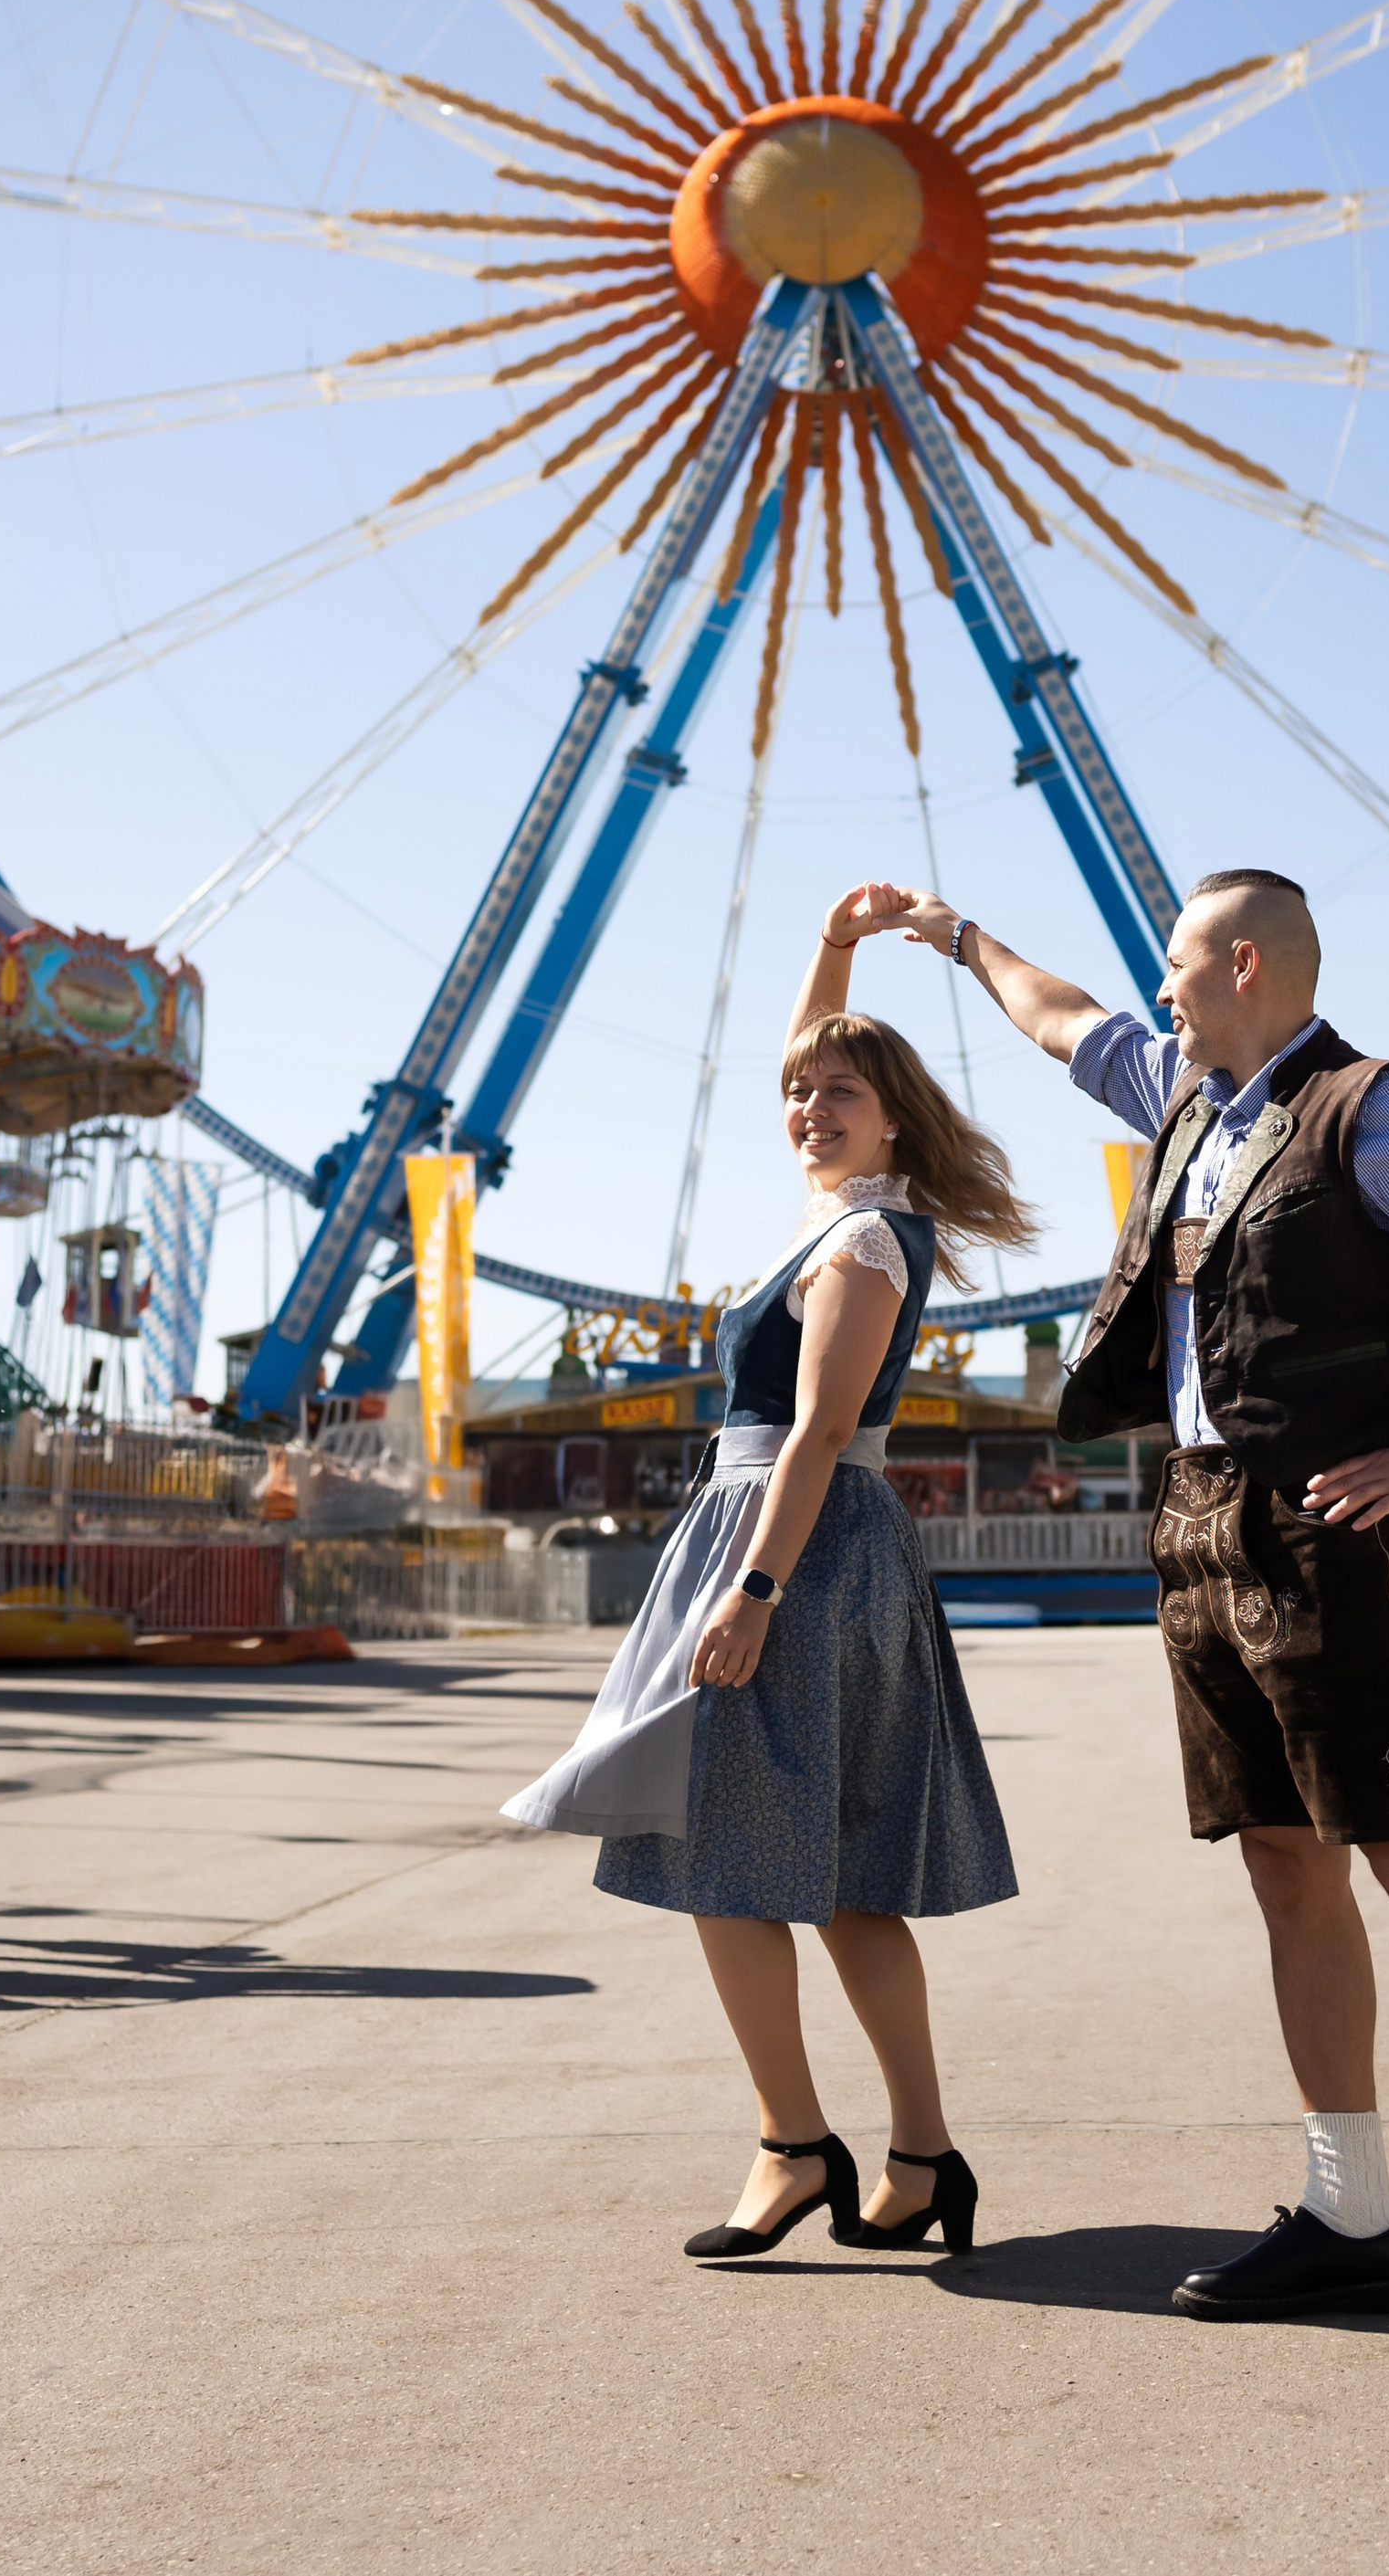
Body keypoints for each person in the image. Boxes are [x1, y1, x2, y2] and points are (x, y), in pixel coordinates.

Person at [854, 867, 1389, 2367]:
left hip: (1332, 1523)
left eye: (1183, 966)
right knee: (1282, 1865)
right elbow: (1062, 1018)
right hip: (1199, 1519)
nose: (1163, 990)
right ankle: (1352, 2216)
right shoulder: (1187, 1098)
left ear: (1247, 964)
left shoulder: (1372, 1109)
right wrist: (947, 934)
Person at [503, 888, 1029, 2264]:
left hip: (790, 1542)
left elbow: (815, 1429)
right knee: (849, 1877)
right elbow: (812, 1049)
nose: (806, 1108)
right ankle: (919, 2156)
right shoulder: (855, 1212)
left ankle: (797, 2142)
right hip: (822, 1547)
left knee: (721, 1860)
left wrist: (752, 1590)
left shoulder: (857, 1245)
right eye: (798, 1096)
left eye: (837, 1096)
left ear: (895, 1115)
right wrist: (841, 948)